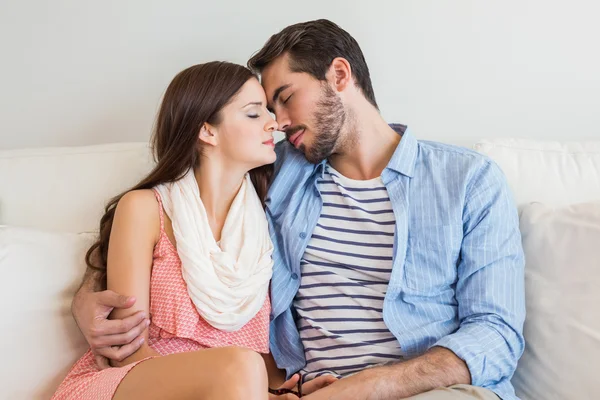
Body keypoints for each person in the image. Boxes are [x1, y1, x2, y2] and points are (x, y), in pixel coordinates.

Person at [72, 20, 526, 400]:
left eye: (286, 98)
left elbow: (497, 335)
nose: (278, 122)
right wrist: (88, 296)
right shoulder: (279, 174)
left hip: (432, 392)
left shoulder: (468, 180)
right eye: (265, 110)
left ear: (340, 75)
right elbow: (176, 223)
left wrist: (365, 387)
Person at [52, 61, 331, 400]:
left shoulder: (265, 226)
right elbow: (128, 349)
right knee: (240, 366)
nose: (273, 123)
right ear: (207, 131)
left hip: (233, 387)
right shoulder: (144, 209)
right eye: (254, 114)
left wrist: (276, 394)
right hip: (134, 381)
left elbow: (255, 357)